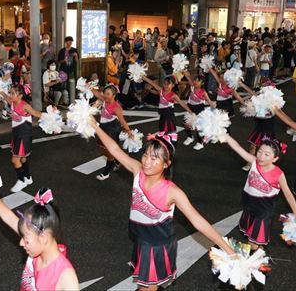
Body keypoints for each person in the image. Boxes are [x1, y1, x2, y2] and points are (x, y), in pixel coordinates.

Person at [89, 123, 236, 289]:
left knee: (146, 287)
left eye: (154, 158)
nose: (146, 162)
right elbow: (115, 150)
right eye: (145, 155)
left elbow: (198, 221)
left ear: (166, 164)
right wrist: (94, 125)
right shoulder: (138, 171)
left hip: (157, 246)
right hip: (141, 239)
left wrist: (227, 249)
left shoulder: (172, 192)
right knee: (146, 285)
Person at [0, 187, 79, 290]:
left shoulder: (66, 277)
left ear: (43, 237)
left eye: (26, 239)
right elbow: (9, 217)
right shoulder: (38, 245)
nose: (21, 243)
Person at [222, 133, 296, 249]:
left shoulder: (278, 174)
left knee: (252, 244)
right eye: (260, 152)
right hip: (249, 206)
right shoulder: (254, 162)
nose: (261, 156)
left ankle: (255, 257)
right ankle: (259, 253)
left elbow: (288, 194)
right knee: (254, 238)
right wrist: (225, 135)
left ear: (275, 159)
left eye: (267, 154)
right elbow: (238, 148)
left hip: (263, 211)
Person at [1, 83, 43, 193]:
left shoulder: (25, 106)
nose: (10, 95)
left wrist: (50, 116)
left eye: (13, 93)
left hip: (23, 136)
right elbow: (6, 97)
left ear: (20, 95)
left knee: (15, 160)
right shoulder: (12, 102)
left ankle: (21, 181)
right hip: (17, 134)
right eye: (10, 92)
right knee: (23, 158)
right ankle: (28, 178)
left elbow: (36, 113)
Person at [90, 84, 133, 181]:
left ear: (113, 95)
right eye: (104, 93)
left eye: (108, 94)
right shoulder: (105, 100)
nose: (105, 95)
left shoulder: (116, 107)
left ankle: (106, 173)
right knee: (102, 149)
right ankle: (118, 160)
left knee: (110, 151)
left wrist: (129, 131)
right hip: (103, 127)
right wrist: (89, 87)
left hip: (112, 129)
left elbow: (122, 120)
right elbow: (97, 94)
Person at [182, 71, 215, 151]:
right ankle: (190, 137)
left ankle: (200, 143)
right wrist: (184, 72)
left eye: (198, 81)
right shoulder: (192, 87)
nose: (195, 82)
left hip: (199, 110)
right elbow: (188, 77)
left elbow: (210, 102)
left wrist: (213, 106)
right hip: (190, 108)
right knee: (186, 125)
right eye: (195, 80)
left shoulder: (203, 92)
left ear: (202, 83)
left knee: (198, 128)